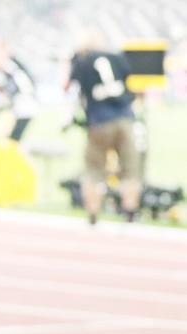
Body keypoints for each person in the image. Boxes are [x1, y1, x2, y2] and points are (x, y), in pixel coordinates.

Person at [67, 33, 140, 224]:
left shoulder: (81, 62)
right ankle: (130, 210)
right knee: (130, 168)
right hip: (124, 118)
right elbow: (129, 82)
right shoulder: (116, 57)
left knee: (93, 170)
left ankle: (93, 212)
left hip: (99, 120)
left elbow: (68, 87)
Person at [0, 40, 37, 142]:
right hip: (22, 104)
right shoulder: (11, 66)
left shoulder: (9, 64)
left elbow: (19, 86)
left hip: (25, 105)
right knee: (10, 137)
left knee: (12, 139)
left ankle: (11, 154)